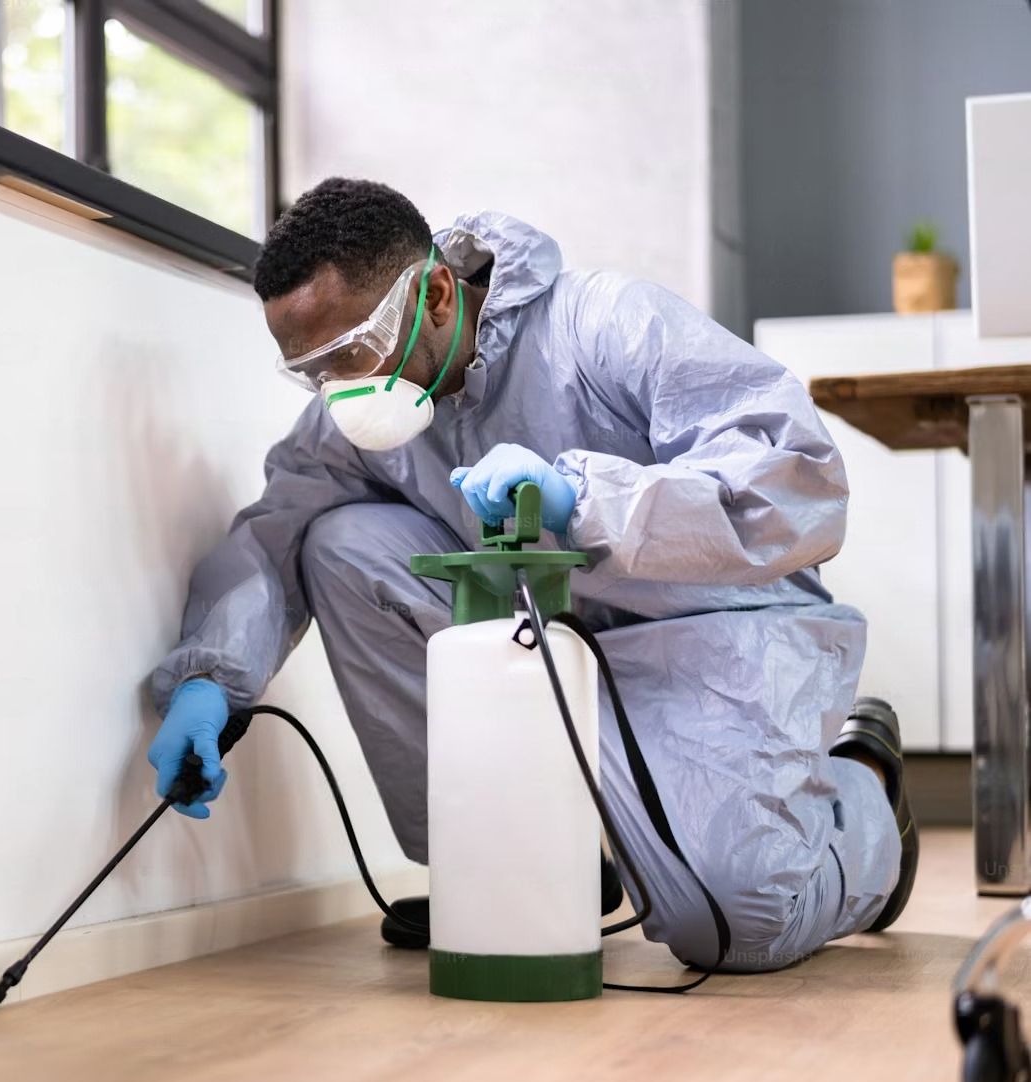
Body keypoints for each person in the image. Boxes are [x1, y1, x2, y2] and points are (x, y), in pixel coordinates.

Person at [144, 178, 917, 972]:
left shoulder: (607, 324)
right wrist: (213, 679)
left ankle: (865, 795)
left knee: (734, 924)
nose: (339, 390)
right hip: (545, 636)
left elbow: (798, 487)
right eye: (313, 372)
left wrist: (583, 497)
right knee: (339, 541)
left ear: (437, 293)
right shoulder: (358, 416)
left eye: (352, 354)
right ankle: (514, 869)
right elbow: (275, 528)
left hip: (710, 632)